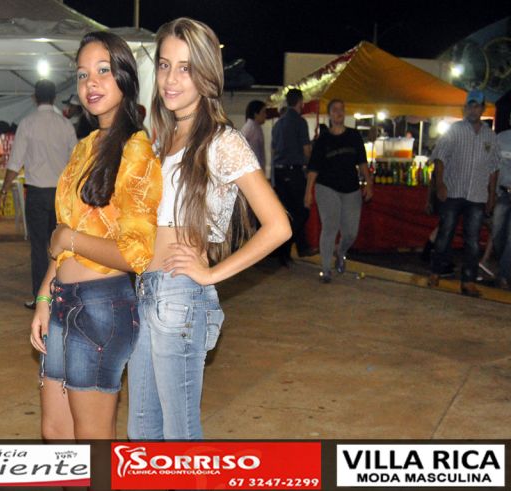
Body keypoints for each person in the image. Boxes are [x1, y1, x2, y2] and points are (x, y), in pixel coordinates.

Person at [127, 18, 291, 441]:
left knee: (180, 438)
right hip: (145, 290)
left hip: (180, 296)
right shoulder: (162, 139)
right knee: (142, 432)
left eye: (185, 68)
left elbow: (278, 226)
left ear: (207, 74)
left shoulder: (222, 141)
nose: (171, 79)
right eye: (165, 65)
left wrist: (212, 274)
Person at [29, 31, 162, 440]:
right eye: (83, 74)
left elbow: (136, 254)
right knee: (55, 431)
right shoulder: (85, 146)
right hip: (63, 300)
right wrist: (44, 298)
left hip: (102, 307)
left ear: (125, 77)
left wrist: (68, 240)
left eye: (104, 70)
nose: (91, 83)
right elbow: (63, 235)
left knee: (92, 440)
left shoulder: (136, 150)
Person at [0, 80, 78, 309]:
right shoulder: (66, 125)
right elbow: (76, 162)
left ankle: (40, 297)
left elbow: (15, 162)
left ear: (34, 97)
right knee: (61, 245)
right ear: (54, 98)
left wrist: (4, 189)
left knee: (38, 247)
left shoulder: (27, 124)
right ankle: (63, 295)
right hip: (60, 195)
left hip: (36, 194)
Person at [428, 89, 501, 297]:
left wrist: (492, 195)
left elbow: (494, 168)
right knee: (445, 234)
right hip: (453, 190)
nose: (473, 110)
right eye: (470, 105)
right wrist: (440, 184)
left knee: (472, 240)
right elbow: (440, 158)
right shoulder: (455, 130)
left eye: (477, 106)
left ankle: (468, 281)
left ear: (483, 109)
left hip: (477, 195)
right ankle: (435, 271)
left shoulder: (490, 136)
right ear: (465, 108)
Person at [304, 99, 373, 282]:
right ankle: (326, 269)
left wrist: (369, 183)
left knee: (351, 232)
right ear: (330, 114)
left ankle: (340, 252)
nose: (339, 112)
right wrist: (308, 192)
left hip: (351, 188)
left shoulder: (354, 136)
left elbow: (362, 162)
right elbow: (313, 168)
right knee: (330, 227)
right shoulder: (323, 139)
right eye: (335, 110)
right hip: (327, 187)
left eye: (341, 109)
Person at [271, 88, 314, 265]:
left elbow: (274, 150)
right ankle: (285, 247)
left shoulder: (278, 124)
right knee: (302, 211)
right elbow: (306, 150)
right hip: (294, 171)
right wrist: (310, 165)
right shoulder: (300, 122)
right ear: (300, 102)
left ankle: (286, 251)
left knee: (286, 211)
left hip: (279, 172)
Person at [492, 120, 511, 289]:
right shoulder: (501, 138)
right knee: (497, 234)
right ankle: (504, 266)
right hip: (503, 193)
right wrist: (492, 192)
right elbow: (493, 166)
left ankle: (504, 275)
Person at [241, 100, 266, 167]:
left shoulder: (255, 127)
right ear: (255, 114)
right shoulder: (251, 129)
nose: (265, 115)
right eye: (263, 112)